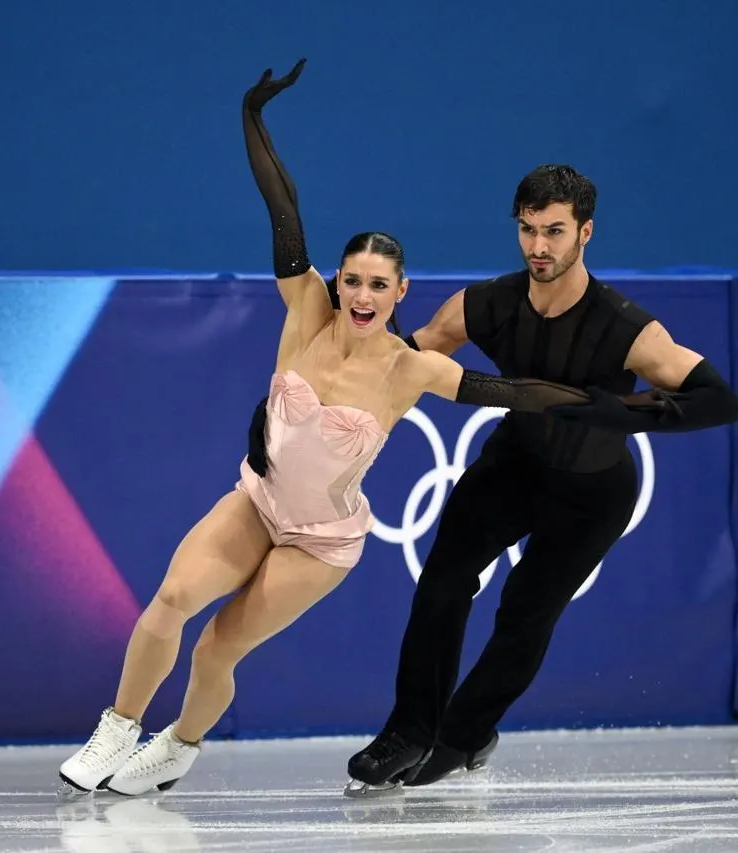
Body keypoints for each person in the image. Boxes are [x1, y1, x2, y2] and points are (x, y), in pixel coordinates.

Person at [55, 60, 672, 797]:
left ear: (400, 292)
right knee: (173, 599)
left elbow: (513, 391)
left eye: (380, 284)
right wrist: (253, 116)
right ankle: (117, 728)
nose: (363, 294)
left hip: (320, 542)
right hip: (258, 502)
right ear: (336, 282)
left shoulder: (409, 368)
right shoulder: (305, 309)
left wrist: (613, 407)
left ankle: (178, 746)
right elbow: (283, 209)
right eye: (352, 280)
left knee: (216, 647)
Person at [338, 163, 738, 796]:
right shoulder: (485, 305)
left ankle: (463, 737)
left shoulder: (627, 328)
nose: (539, 247)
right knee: (442, 581)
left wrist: (623, 412)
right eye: (528, 230)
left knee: (525, 613)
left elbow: (719, 400)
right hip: (514, 463)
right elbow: (402, 360)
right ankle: (409, 732)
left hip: (594, 494)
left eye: (555, 231)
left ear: (586, 232)